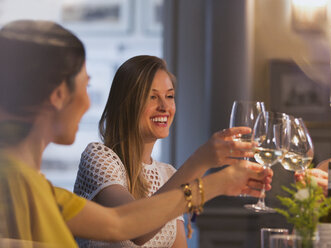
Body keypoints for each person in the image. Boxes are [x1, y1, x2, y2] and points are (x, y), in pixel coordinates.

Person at [0, 19, 273, 247]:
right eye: (86, 85)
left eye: (170, 96)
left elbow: (119, 225)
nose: (88, 101)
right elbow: (125, 225)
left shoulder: (38, 189)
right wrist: (215, 177)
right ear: (59, 95)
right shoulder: (17, 183)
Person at [73, 55, 269, 247]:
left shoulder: (168, 174)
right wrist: (201, 161)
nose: (165, 107)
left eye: (169, 96)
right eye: (152, 97)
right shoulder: (98, 157)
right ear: (126, 103)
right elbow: (134, 229)